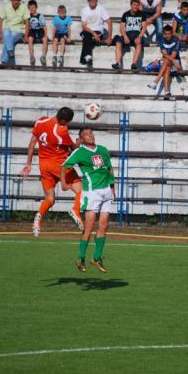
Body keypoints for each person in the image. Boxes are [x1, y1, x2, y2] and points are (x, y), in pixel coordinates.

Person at [20, 107, 84, 237]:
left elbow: (32, 144)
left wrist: (28, 164)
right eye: (67, 122)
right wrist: (79, 142)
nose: (67, 125)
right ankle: (75, 210)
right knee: (81, 190)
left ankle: (38, 218)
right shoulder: (61, 130)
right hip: (60, 165)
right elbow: (73, 149)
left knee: (50, 199)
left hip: (44, 165)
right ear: (62, 120)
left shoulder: (40, 121)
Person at [62, 127, 115, 274]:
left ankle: (96, 258)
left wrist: (113, 188)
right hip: (92, 193)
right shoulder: (80, 152)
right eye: (86, 134)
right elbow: (65, 165)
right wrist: (64, 183)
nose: (90, 135)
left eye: (91, 133)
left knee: (103, 227)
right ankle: (80, 258)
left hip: (106, 192)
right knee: (89, 227)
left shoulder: (103, 150)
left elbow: (109, 169)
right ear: (81, 139)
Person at [112, 0, 148, 71]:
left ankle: (134, 64)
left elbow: (144, 27)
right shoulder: (125, 14)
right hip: (128, 34)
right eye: (134, 5)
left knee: (139, 43)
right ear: (131, 5)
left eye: (137, 5)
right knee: (118, 42)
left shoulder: (142, 14)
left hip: (137, 34)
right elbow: (122, 27)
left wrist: (140, 37)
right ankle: (118, 63)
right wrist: (125, 36)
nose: (135, 6)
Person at [147, 24, 182, 99]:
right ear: (163, 34)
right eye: (166, 34)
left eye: (169, 33)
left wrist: (162, 59)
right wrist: (162, 59)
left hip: (176, 64)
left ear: (172, 33)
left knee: (166, 61)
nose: (167, 35)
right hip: (169, 63)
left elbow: (172, 55)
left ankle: (155, 82)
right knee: (167, 67)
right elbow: (165, 55)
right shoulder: (161, 41)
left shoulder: (176, 40)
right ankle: (167, 92)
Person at [80, 0, 112, 68]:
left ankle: (84, 61)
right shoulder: (84, 10)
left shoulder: (101, 9)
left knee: (86, 38)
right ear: (88, 1)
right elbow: (84, 26)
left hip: (98, 31)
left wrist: (109, 37)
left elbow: (109, 22)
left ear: (97, 0)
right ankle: (88, 57)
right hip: (89, 31)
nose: (92, 1)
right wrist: (93, 33)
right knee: (86, 35)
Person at [0, 0, 29, 66]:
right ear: (11, 0)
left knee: (10, 37)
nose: (16, 2)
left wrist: (26, 36)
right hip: (8, 29)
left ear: (20, 0)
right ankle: (10, 51)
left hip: (19, 30)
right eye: (14, 0)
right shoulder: (6, 6)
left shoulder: (24, 7)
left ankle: (4, 60)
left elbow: (27, 22)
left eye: (17, 0)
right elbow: (0, 21)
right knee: (5, 32)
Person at [172, 1, 188, 71]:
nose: (186, 12)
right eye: (184, 10)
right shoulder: (177, 16)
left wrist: (186, 35)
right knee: (172, 40)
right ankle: (174, 62)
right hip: (178, 34)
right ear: (181, 9)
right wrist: (178, 36)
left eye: (187, 10)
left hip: (187, 35)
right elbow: (173, 32)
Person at [27, 0, 48, 67]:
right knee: (30, 39)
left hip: (40, 30)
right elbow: (27, 26)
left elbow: (44, 26)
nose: (32, 9)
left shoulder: (40, 16)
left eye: (33, 7)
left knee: (44, 39)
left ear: (36, 7)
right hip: (32, 31)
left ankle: (43, 55)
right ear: (28, 8)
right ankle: (31, 55)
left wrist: (46, 34)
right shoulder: (28, 16)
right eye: (30, 8)